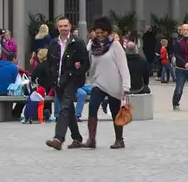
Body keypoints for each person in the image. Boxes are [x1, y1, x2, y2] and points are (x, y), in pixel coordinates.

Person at [84, 16, 132, 150]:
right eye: (97, 32)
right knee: (92, 107)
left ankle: (119, 139)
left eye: (102, 32)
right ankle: (91, 139)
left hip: (114, 84)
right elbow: (88, 61)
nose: (99, 35)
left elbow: (123, 67)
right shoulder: (92, 46)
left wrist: (126, 86)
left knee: (116, 111)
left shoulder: (115, 46)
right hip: (98, 82)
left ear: (108, 32)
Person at [45, 17, 91, 150]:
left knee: (64, 107)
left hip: (72, 80)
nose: (63, 28)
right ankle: (77, 138)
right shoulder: (53, 43)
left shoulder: (77, 42)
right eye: (61, 26)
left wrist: (78, 72)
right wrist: (51, 76)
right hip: (58, 81)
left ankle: (58, 138)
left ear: (70, 26)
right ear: (57, 28)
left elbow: (86, 62)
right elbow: (49, 62)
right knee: (69, 109)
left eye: (66, 26)